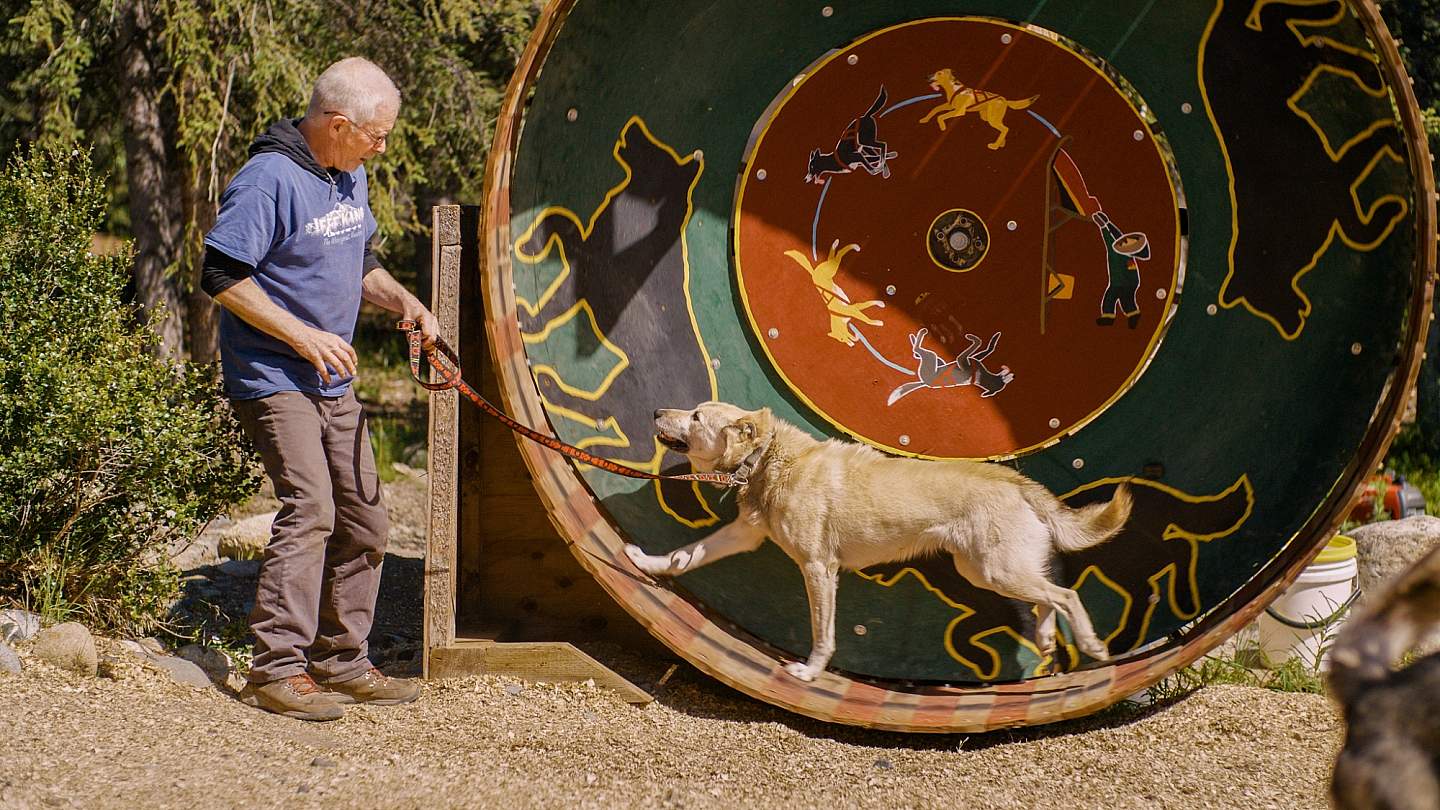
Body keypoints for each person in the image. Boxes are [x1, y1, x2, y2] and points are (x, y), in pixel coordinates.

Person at [201, 57, 439, 721]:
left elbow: (360, 261)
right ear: (337, 124)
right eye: (377, 135)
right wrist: (302, 337)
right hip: (274, 376)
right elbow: (222, 274)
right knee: (312, 508)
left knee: (366, 517)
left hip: (332, 380)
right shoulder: (269, 179)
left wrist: (406, 302)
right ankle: (275, 669)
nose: (382, 147)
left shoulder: (349, 173)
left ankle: (340, 660)